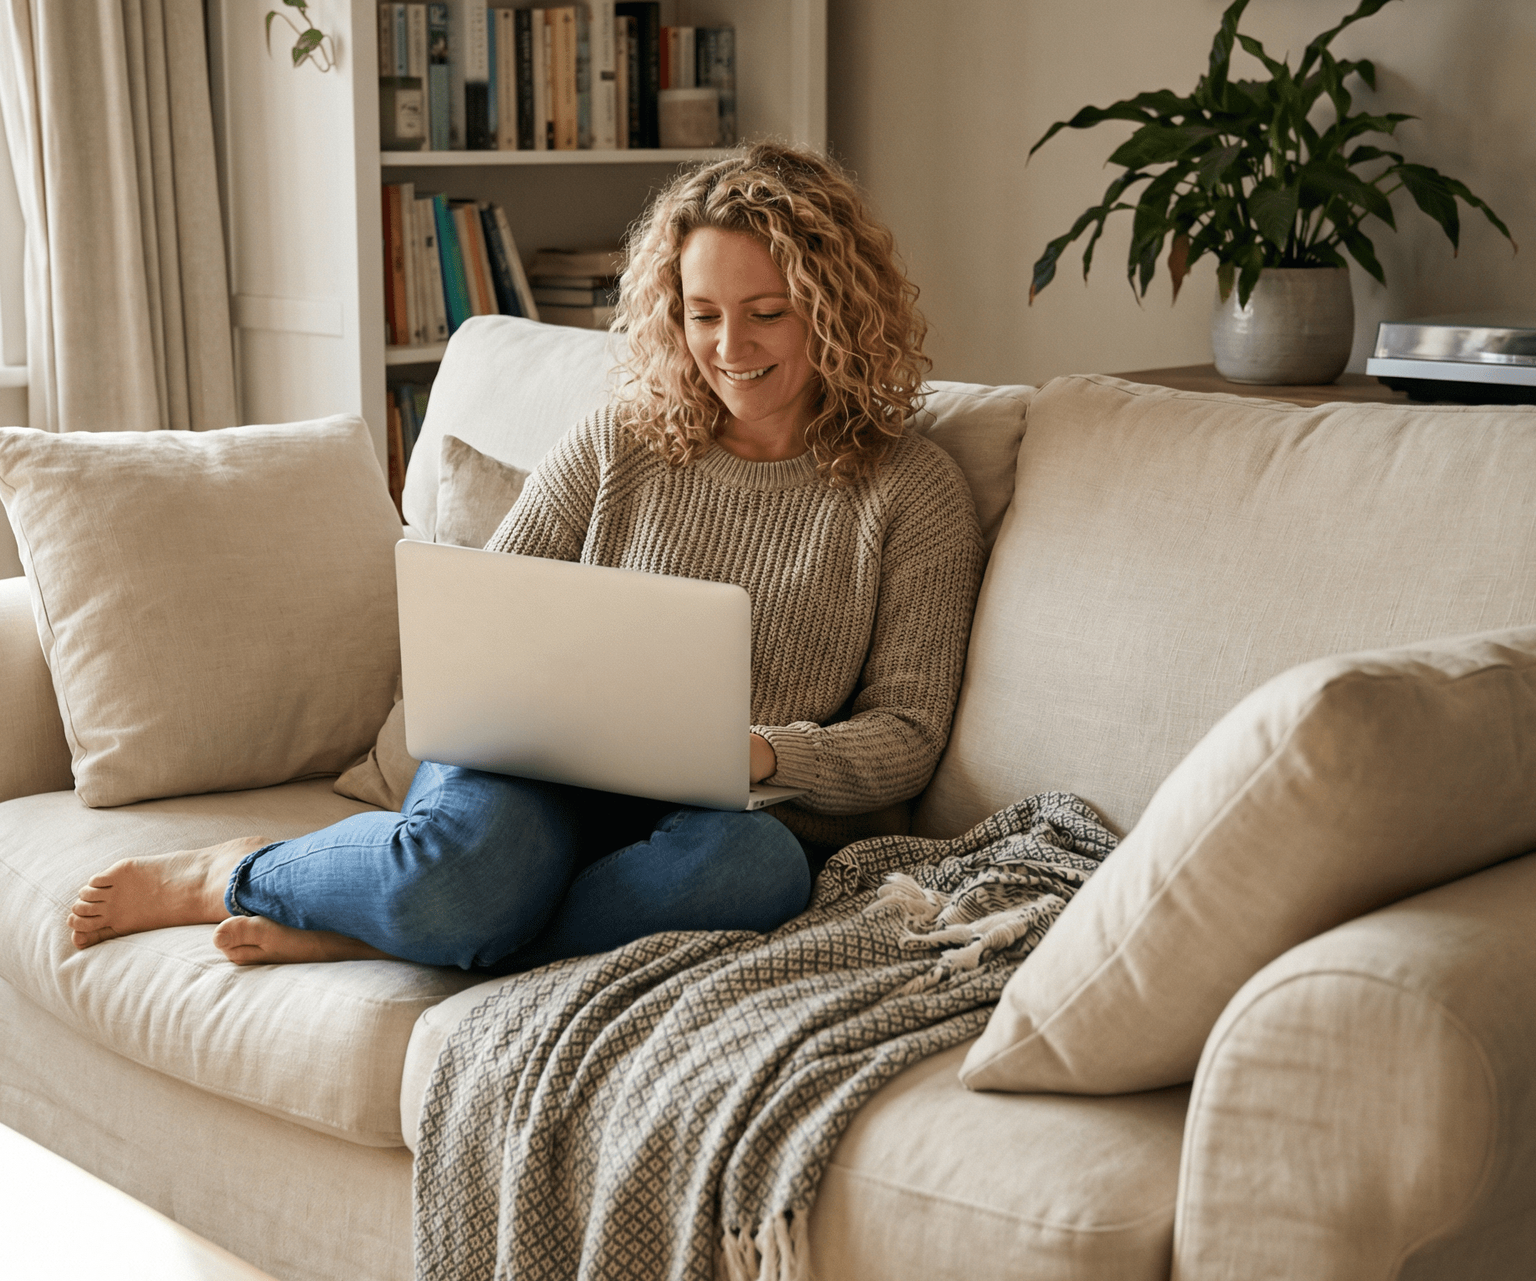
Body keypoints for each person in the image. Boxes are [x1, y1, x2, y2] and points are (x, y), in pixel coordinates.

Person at [67, 142, 984, 969]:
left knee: (756, 874)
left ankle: (371, 924)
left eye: (766, 313)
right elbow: (486, 614)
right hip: (535, 764)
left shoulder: (911, 491)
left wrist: (761, 755)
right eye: (701, 314)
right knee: (466, 872)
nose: (728, 348)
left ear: (833, 309)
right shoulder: (621, 440)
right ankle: (235, 873)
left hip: (725, 815)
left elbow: (906, 733)